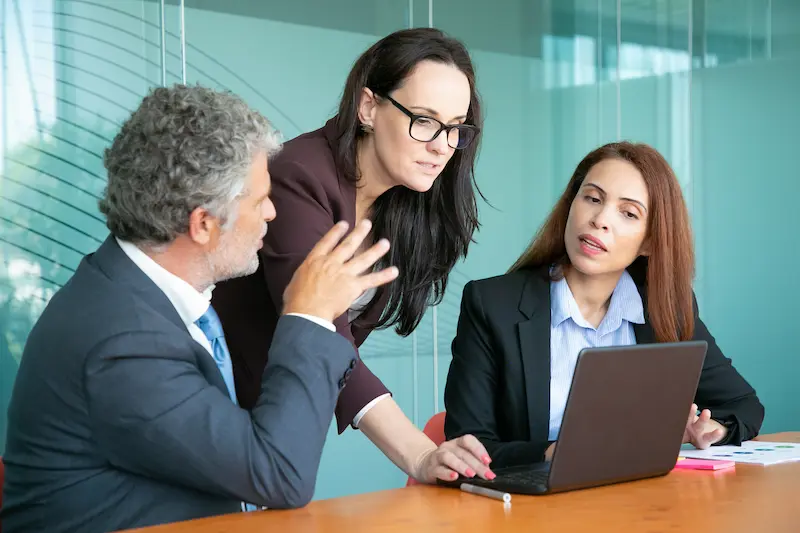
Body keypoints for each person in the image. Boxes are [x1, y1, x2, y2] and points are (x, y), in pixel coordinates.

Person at [0, 84, 400, 533]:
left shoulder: (135, 291)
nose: (272, 213)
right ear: (203, 223)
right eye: (259, 200)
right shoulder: (122, 342)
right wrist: (307, 316)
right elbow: (279, 474)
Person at [212, 28, 494, 483]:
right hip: (220, 411)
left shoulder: (401, 200)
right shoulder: (299, 178)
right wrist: (420, 454)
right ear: (368, 108)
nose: (442, 144)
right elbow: (323, 331)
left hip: (278, 418)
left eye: (455, 127)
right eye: (424, 120)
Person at [443, 141, 765, 470]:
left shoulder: (665, 309)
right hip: (532, 512)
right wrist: (553, 453)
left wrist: (712, 430)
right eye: (593, 198)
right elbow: (467, 445)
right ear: (571, 205)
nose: (600, 220)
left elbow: (744, 405)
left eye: (628, 213)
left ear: (650, 241)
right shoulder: (493, 305)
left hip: (641, 509)